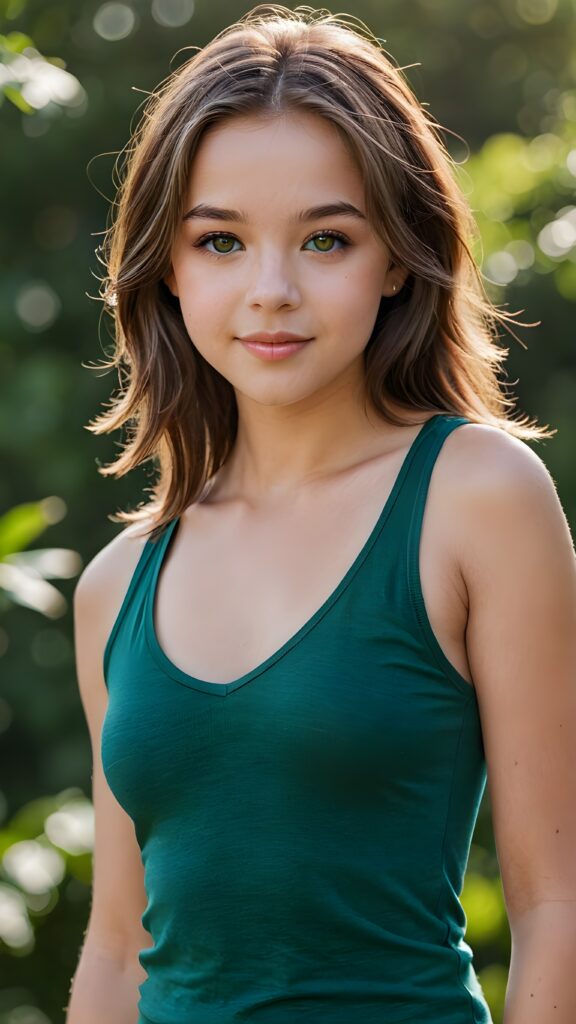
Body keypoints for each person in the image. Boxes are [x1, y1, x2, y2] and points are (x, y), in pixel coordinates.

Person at [66, 5, 576, 1023]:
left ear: (396, 258)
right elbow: (119, 948)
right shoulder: (115, 584)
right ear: (167, 267)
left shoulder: (478, 496)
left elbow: (557, 901)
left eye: (325, 239)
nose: (271, 290)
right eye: (220, 240)